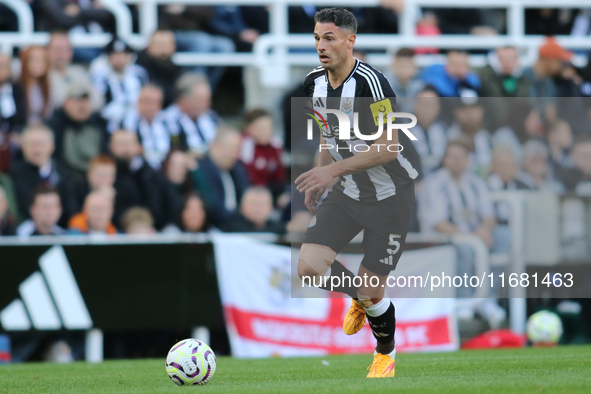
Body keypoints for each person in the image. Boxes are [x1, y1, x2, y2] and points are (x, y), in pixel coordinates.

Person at [295, 8, 419, 378]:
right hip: (348, 190)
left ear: (351, 41)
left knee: (373, 290)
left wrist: (331, 169)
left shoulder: (372, 84)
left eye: (329, 38)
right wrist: (323, 174)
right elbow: (326, 131)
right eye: (317, 38)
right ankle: (359, 300)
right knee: (309, 268)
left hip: (389, 196)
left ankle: (385, 353)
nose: (321, 45)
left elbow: (388, 147)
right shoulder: (313, 82)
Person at [109, 129, 179, 230]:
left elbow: (170, 205)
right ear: (111, 146)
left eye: (129, 143)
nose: (125, 148)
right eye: (120, 143)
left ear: (139, 147)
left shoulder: (152, 176)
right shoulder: (106, 177)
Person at [10, 124, 75, 225]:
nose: (37, 149)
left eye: (41, 144)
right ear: (23, 147)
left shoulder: (64, 174)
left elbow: (70, 208)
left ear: (52, 146)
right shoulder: (13, 175)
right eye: (32, 144)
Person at [191, 126, 249, 228]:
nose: (237, 155)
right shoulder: (202, 170)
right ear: (218, 146)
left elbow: (247, 195)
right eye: (234, 149)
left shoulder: (235, 170)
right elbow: (214, 209)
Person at [47, 82, 108, 178]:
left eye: (85, 101)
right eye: (77, 101)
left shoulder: (98, 124)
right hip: (67, 179)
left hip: (96, 177)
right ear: (66, 103)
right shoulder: (55, 126)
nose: (82, 106)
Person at [91, 38, 148, 129]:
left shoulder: (139, 74)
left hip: (138, 120)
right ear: (108, 57)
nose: (119, 59)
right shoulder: (100, 77)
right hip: (110, 122)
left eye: (122, 55)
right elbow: (99, 106)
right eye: (115, 55)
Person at [163, 74, 222, 157]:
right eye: (202, 100)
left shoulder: (212, 117)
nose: (208, 104)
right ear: (184, 100)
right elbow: (174, 149)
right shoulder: (167, 121)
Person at [116, 84, 170, 169]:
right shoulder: (128, 121)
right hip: (140, 165)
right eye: (146, 101)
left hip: (165, 164)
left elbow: (175, 141)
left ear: (160, 105)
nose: (150, 106)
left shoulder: (167, 121)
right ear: (138, 102)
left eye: (154, 102)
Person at [47, 31, 102, 111]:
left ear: (71, 52)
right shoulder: (43, 74)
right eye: (57, 49)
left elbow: (98, 100)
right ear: (47, 51)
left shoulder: (79, 71)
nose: (60, 54)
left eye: (65, 49)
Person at [240, 108, 286, 200]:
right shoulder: (245, 146)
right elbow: (248, 178)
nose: (266, 131)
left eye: (269, 127)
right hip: (253, 194)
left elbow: (280, 176)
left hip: (273, 192)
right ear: (248, 128)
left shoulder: (276, 145)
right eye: (261, 127)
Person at [447, 95, 493, 176]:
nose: (469, 113)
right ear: (457, 112)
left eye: (473, 108)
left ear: (481, 111)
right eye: (464, 109)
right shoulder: (449, 137)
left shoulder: (487, 137)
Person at [135, 30, 182, 107]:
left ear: (174, 47)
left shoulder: (178, 71)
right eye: (159, 45)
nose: (163, 50)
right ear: (149, 47)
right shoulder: (138, 71)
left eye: (166, 45)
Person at [410, 88, 447, 176]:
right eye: (423, 104)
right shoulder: (403, 131)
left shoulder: (445, 131)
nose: (427, 109)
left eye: (431, 105)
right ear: (415, 105)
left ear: (438, 107)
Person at [19, 46, 52, 122]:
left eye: (43, 60)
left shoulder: (48, 86)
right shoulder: (17, 88)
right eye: (34, 59)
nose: (38, 64)